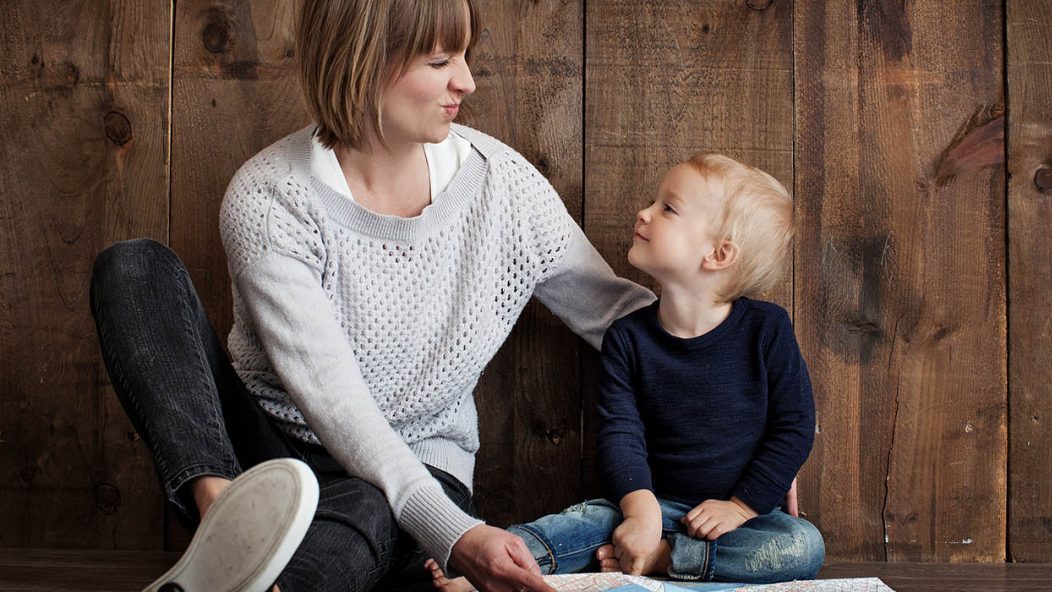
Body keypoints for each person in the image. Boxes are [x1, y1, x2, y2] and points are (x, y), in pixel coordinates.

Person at [88, 0, 655, 590]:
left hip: (417, 472)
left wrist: (753, 347)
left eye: (465, 55)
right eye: (439, 60)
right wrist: (459, 537)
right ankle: (223, 517)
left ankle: (245, 575)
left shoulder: (504, 189)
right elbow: (334, 401)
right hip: (266, 456)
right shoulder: (271, 198)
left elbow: (618, 316)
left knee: (363, 507)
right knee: (133, 268)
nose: (467, 80)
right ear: (362, 62)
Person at [430, 153, 824, 590]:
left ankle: (669, 558)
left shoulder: (766, 331)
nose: (644, 212)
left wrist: (742, 507)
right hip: (647, 505)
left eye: (667, 209)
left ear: (718, 254)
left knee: (803, 545)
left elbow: (795, 426)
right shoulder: (628, 338)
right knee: (583, 522)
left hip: (737, 520)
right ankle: (495, 562)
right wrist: (641, 512)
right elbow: (621, 433)